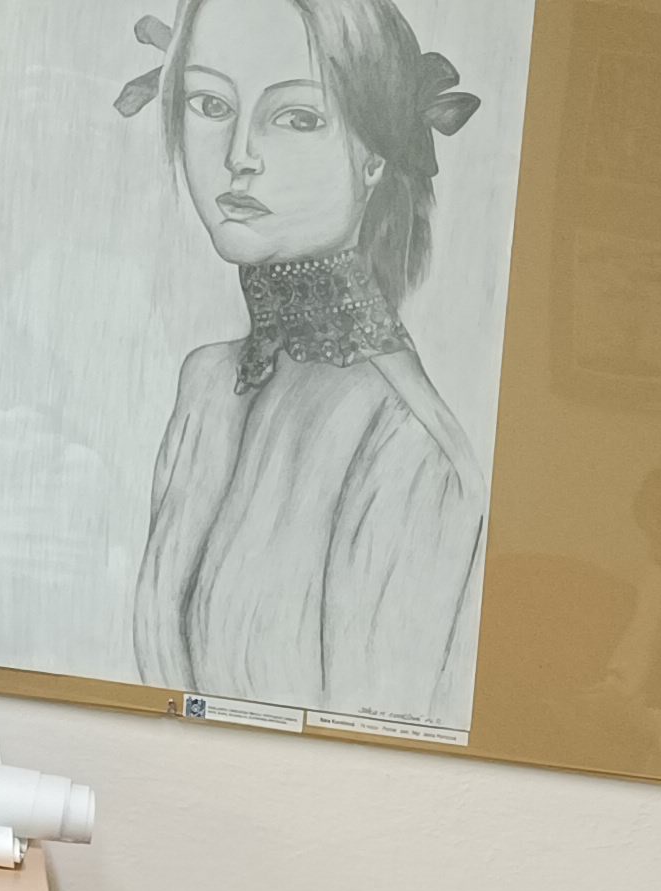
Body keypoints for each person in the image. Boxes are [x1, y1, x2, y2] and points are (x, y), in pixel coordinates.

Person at [129, 0, 494, 725]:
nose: (239, 155)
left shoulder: (407, 443)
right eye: (209, 105)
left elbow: (375, 744)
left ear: (374, 155)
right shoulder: (206, 386)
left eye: (296, 117)